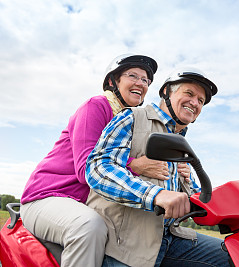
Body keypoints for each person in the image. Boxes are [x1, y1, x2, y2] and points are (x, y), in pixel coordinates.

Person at [20, 54, 190, 267]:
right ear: (112, 82)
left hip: (85, 204)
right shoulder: (96, 106)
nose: (141, 83)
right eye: (133, 76)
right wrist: (136, 165)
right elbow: (86, 170)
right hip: (48, 196)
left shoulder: (136, 122)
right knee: (88, 227)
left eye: (146, 80)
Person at [85, 68, 230, 267]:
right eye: (189, 94)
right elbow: (98, 168)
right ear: (166, 92)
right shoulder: (132, 117)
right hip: (126, 244)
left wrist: (230, 205)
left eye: (201, 101)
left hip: (171, 238)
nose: (195, 103)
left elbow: (194, 196)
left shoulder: (180, 143)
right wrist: (156, 195)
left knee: (233, 256)